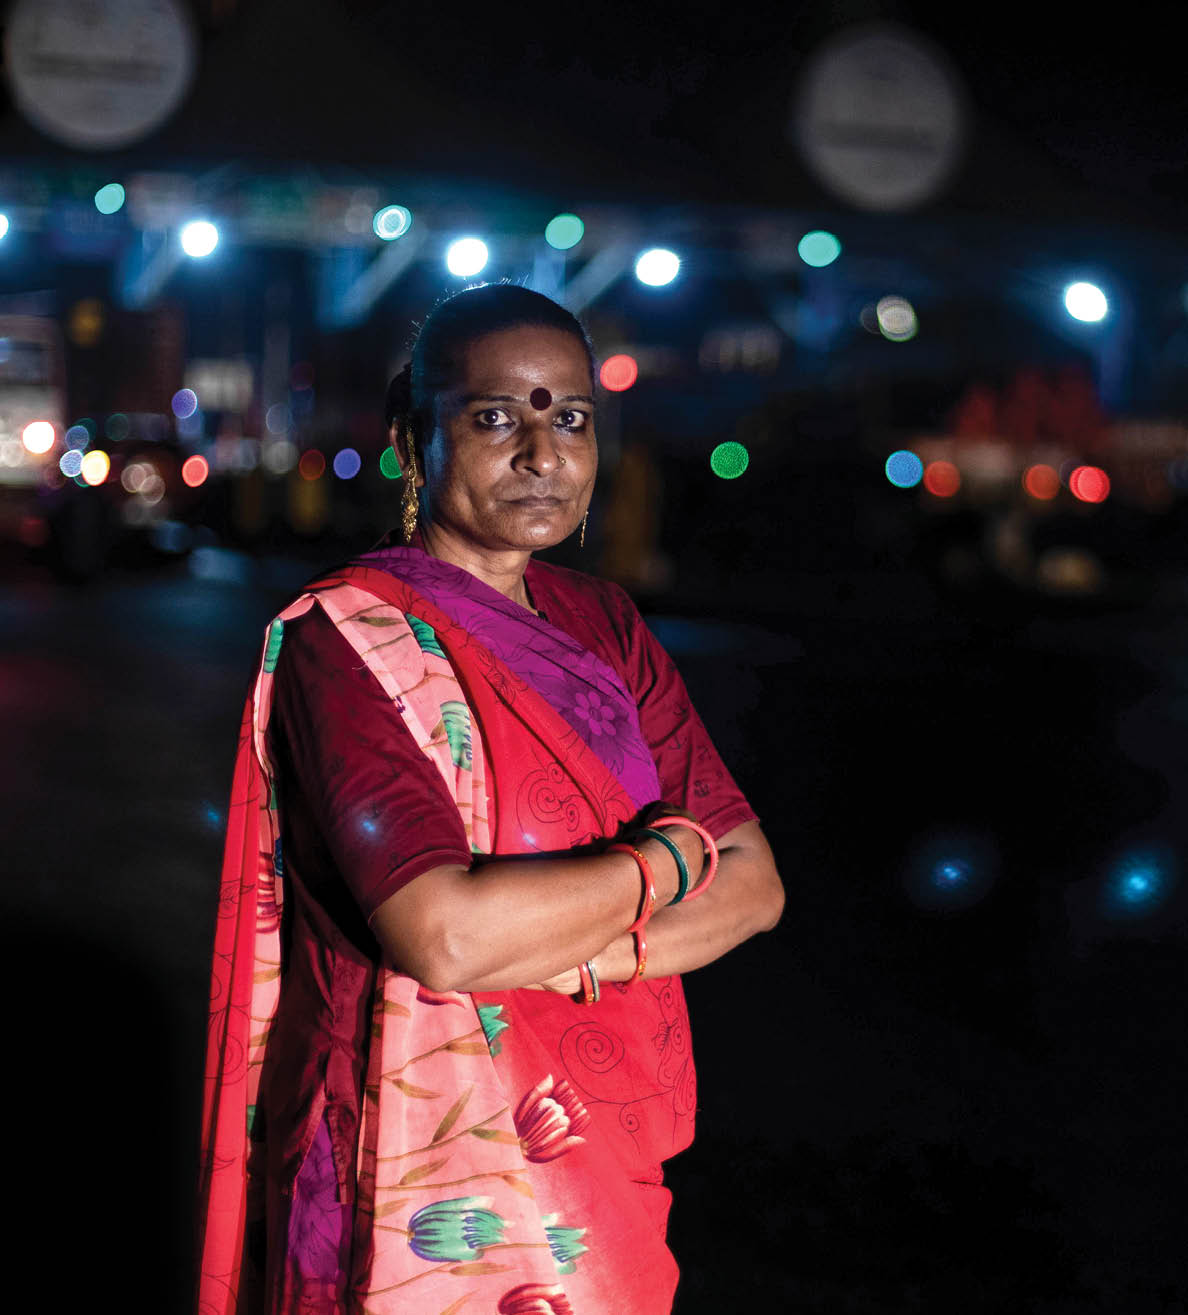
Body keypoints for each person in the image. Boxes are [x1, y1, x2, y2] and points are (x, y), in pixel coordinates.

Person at [197, 283, 785, 1315]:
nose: (542, 453)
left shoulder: (603, 622)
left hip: (599, 1156)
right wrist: (666, 863)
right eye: (495, 416)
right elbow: (446, 936)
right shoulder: (350, 642)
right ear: (411, 436)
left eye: (569, 418)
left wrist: (589, 954)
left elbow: (760, 887)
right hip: (417, 1175)